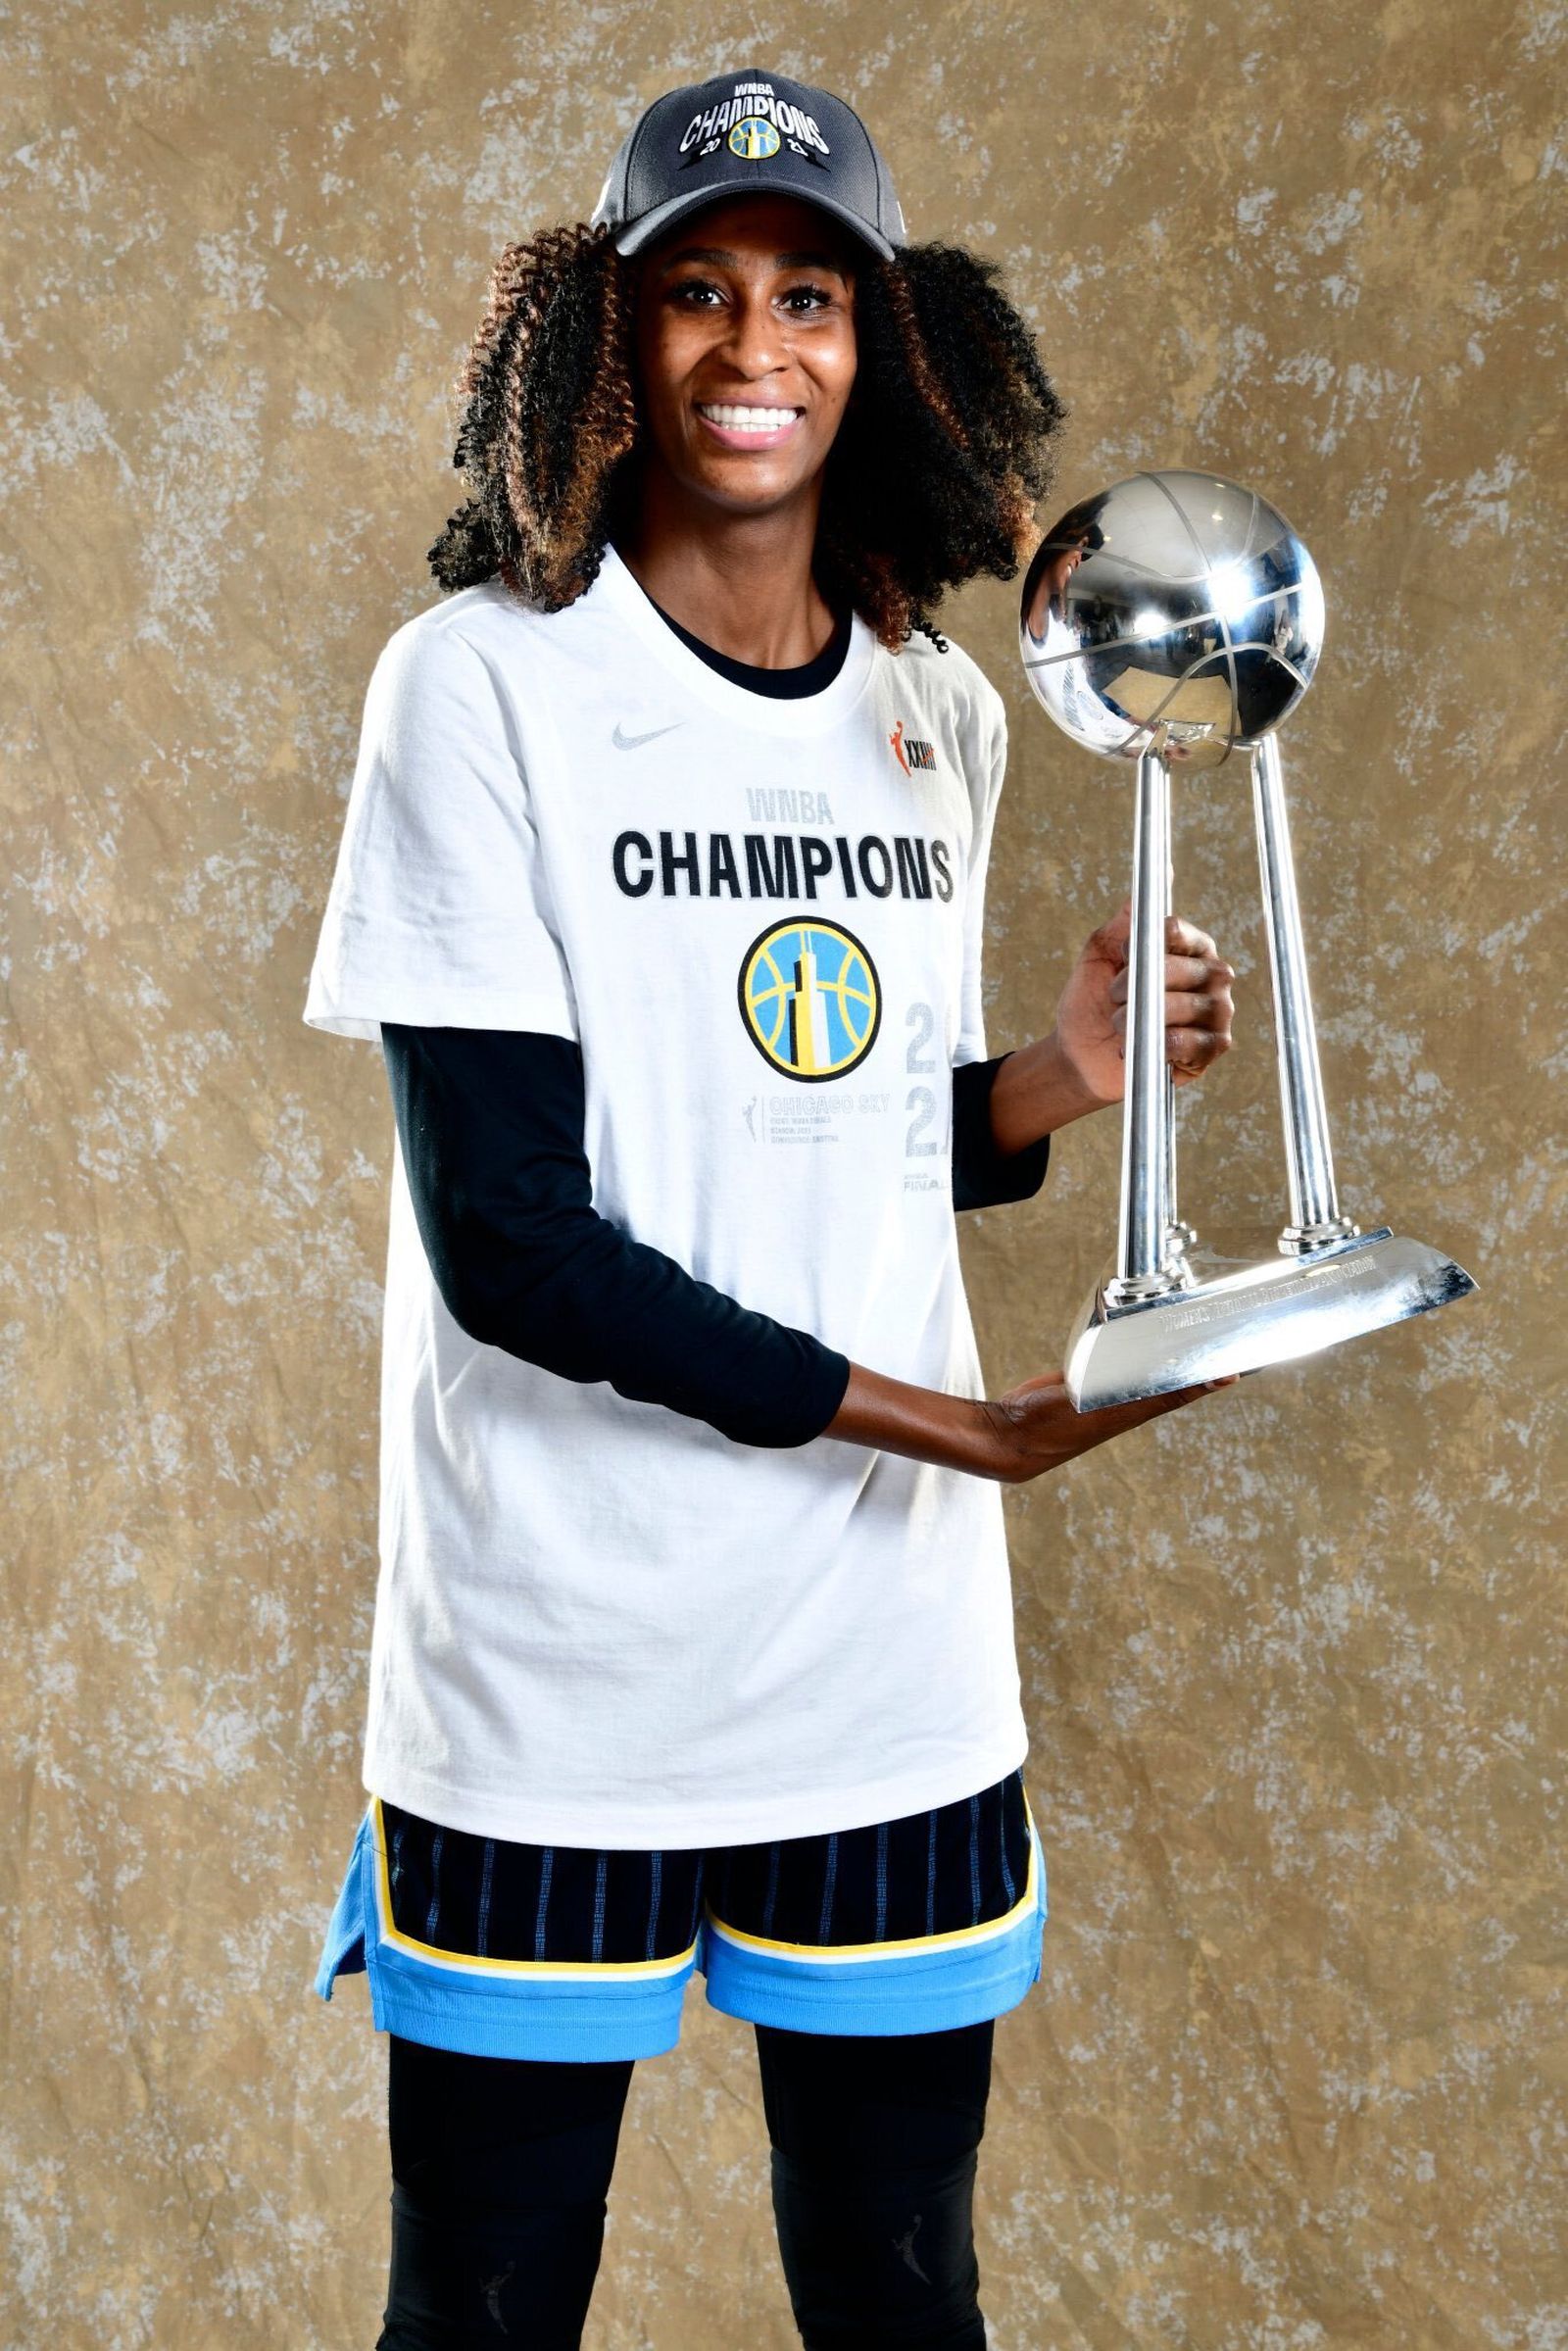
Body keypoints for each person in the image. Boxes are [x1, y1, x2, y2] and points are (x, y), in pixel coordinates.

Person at [302, 68, 1236, 2351]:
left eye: (806, 295)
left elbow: (794, 1127)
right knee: (487, 2307)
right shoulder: (483, 693)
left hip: (880, 1677)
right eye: (693, 295)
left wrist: (1045, 1083)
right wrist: (962, 1433)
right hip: (556, 1675)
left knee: (902, 2294)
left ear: (880, 342)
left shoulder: (941, 710)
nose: (753, 350)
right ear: (602, 344)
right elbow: (518, 1239)